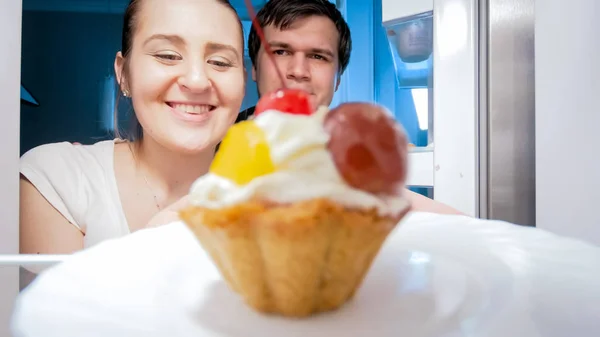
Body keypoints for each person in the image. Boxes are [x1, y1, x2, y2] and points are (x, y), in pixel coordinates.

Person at [19, 0, 247, 255]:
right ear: (123, 72)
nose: (197, 81)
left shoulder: (274, 197)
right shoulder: (60, 179)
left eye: (220, 62)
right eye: (168, 56)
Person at [238, 0, 463, 215]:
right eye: (280, 51)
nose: (298, 70)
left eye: (317, 56)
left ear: (337, 80)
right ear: (255, 68)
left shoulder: (350, 158)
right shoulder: (213, 143)